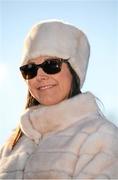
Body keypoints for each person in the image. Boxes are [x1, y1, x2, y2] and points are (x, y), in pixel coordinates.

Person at [0, 20, 118, 179]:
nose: (40, 76)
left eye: (51, 65)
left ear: (75, 71)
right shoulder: (11, 145)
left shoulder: (101, 136)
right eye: (30, 69)